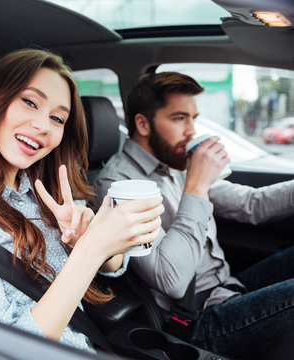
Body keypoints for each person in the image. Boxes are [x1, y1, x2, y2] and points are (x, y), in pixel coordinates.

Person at [0, 49, 163, 353]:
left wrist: (89, 243)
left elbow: (115, 266)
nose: (44, 126)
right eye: (30, 102)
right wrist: (90, 251)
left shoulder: (43, 187)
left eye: (58, 118)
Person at [94, 71, 294, 359]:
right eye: (179, 118)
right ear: (142, 123)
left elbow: (252, 204)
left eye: (193, 118)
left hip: (227, 288)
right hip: (195, 320)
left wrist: (195, 181)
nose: (191, 131)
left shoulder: (175, 164)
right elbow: (171, 281)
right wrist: (197, 186)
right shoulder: (117, 186)